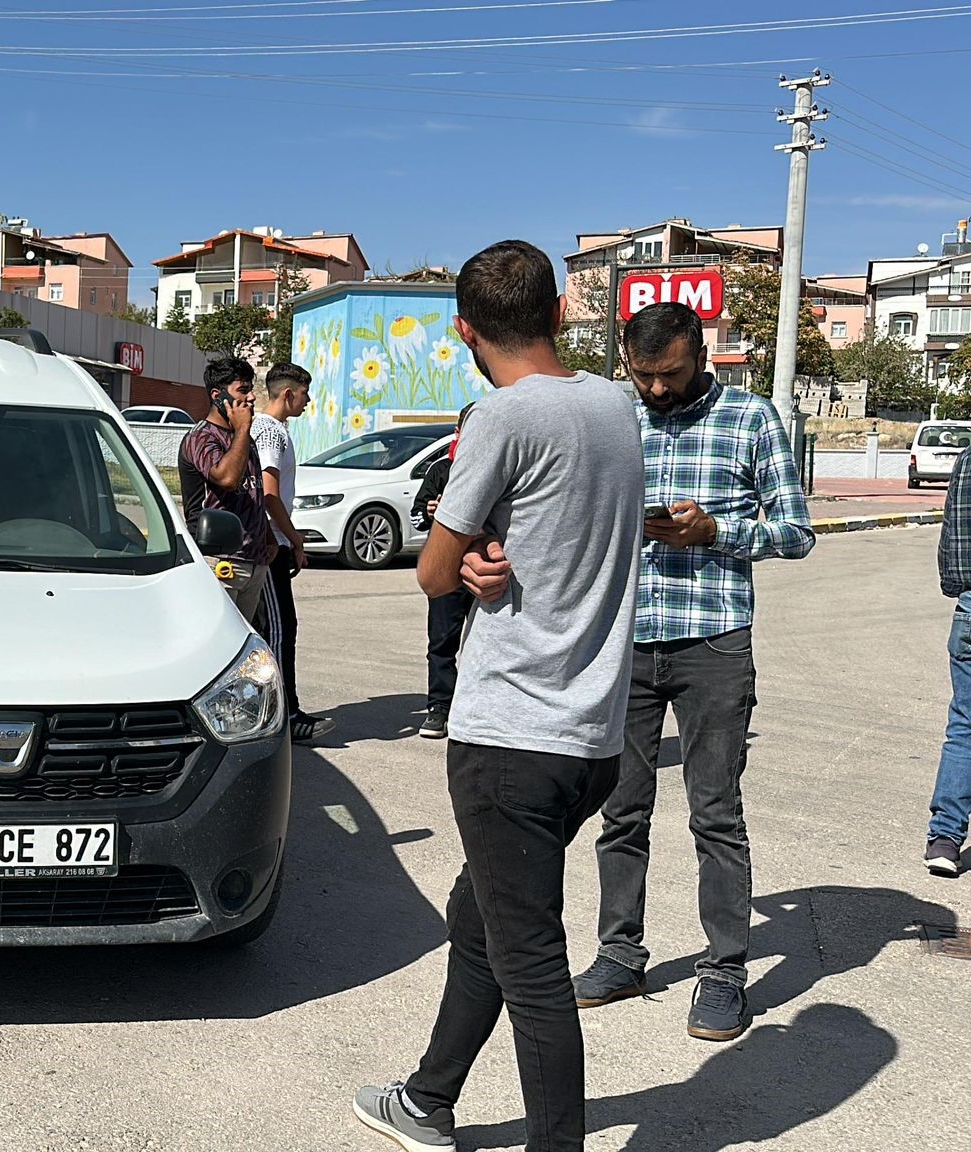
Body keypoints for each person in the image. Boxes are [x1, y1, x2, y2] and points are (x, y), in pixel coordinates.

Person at [355, 240, 643, 1152]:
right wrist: (491, 552)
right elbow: (559, 532)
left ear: (464, 331)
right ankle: (429, 1100)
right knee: (479, 914)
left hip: (512, 736)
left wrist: (466, 557)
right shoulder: (617, 405)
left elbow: (433, 571)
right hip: (592, 736)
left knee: (532, 966)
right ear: (561, 313)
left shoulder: (500, 417)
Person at [572, 301, 814, 1044]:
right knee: (622, 812)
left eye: (669, 375)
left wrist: (717, 530)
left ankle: (724, 974)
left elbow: (796, 530)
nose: (653, 390)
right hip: (627, 644)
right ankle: (620, 954)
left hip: (713, 644)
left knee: (715, 813)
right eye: (641, 375)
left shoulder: (752, 419)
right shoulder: (619, 417)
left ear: (700, 353)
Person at [250, 361, 334, 743]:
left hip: (275, 543)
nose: (308, 400)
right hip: (268, 546)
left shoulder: (275, 430)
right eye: (304, 393)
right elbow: (269, 493)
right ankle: (288, 714)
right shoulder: (269, 433)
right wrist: (293, 537)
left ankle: (276, 710)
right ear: (288, 394)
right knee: (281, 629)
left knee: (276, 627)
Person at [179, 357, 279, 637]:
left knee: (244, 642)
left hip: (253, 560)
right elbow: (226, 478)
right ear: (217, 395)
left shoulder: (243, 439)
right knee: (219, 640)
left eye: (250, 390)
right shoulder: (201, 438)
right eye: (242, 390)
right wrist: (243, 429)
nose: (251, 397)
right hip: (221, 561)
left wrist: (268, 538)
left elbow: (255, 491)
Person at [929, 429, 971, 877]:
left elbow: (952, 535)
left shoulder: (969, 460)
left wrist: (957, 589)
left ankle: (944, 840)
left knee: (967, 726)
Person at [412, 405, 477, 741]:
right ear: (459, 432)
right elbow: (415, 516)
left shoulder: (496, 468)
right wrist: (429, 510)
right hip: (446, 570)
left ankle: (478, 709)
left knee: (487, 645)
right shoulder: (441, 470)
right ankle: (439, 708)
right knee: (441, 643)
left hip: (489, 573)